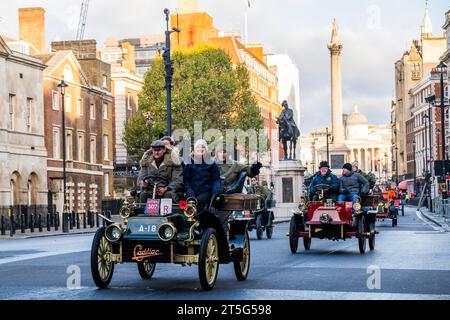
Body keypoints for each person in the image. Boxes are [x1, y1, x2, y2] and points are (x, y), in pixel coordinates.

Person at [183, 139, 222, 212]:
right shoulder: (188, 164)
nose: (200, 149)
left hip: (206, 191)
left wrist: (216, 191)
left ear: (206, 151)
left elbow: (216, 179)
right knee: (188, 203)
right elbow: (186, 180)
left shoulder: (211, 164)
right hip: (191, 191)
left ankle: (198, 222)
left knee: (199, 202)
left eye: (203, 147)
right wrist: (189, 192)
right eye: (198, 147)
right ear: (194, 151)